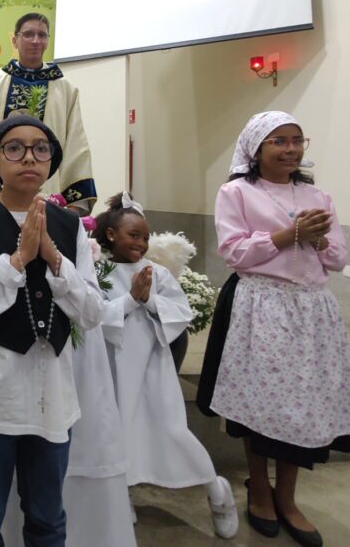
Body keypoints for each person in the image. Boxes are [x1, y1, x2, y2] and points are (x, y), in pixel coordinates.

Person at [206, 111, 350, 547]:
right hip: (262, 305)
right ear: (256, 149)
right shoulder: (237, 192)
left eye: (297, 140)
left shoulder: (318, 195)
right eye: (279, 141)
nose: (291, 148)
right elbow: (235, 253)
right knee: (261, 406)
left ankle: (288, 497)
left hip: (311, 312)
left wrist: (315, 239)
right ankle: (259, 490)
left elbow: (335, 259)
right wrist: (286, 235)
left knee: (303, 407)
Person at [0, 116, 104, 546]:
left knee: (48, 520)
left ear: (51, 161)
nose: (28, 157)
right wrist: (17, 261)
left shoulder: (69, 226)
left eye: (40, 148)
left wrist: (53, 258)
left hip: (51, 397)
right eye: (14, 148)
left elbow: (91, 313)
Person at [92, 192, 238, 540]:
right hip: (112, 368)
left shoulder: (155, 273)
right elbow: (92, 314)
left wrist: (151, 299)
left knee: (170, 429)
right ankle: (121, 494)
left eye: (145, 236)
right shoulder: (99, 271)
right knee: (117, 432)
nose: (142, 244)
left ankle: (215, 488)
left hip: (152, 369)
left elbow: (180, 312)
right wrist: (129, 300)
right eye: (133, 235)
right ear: (111, 235)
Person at [0, 13, 96, 212]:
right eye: (28, 34)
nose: (35, 41)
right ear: (15, 40)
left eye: (42, 35)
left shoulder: (65, 89)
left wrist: (75, 201)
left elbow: (75, 143)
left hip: (47, 188)